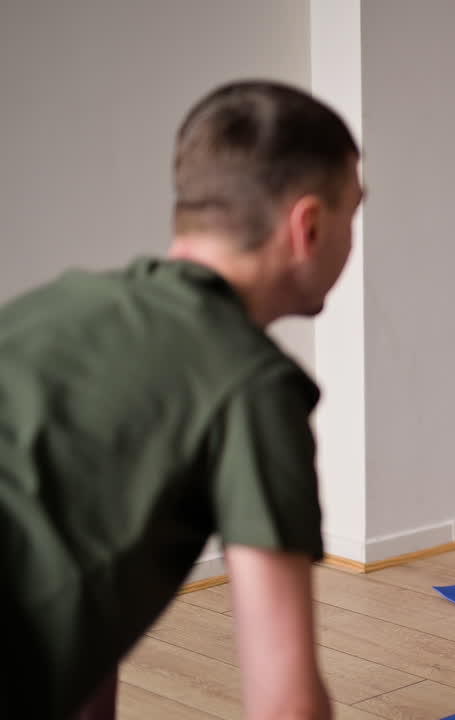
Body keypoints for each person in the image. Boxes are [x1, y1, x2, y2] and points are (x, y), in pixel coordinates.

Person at [0, 80, 364, 719]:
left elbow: (71, 558)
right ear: (307, 225)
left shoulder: (56, 308)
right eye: (352, 213)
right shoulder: (252, 386)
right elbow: (286, 705)